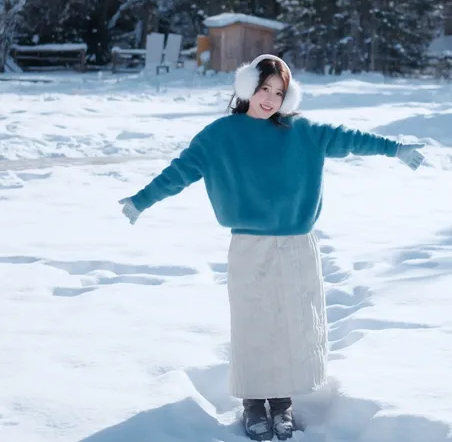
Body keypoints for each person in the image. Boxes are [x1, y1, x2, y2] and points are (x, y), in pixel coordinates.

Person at [119, 54, 425, 441]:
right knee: (254, 325)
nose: (269, 99)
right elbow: (179, 173)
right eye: (264, 89)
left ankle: (282, 403)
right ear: (247, 88)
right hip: (250, 247)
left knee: (289, 326)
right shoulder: (218, 136)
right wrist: (141, 200)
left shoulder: (304, 132)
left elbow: (350, 139)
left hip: (297, 247)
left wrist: (394, 148)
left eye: (279, 93)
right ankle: (252, 403)